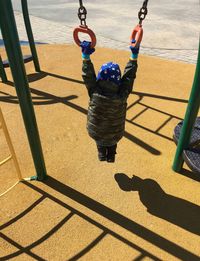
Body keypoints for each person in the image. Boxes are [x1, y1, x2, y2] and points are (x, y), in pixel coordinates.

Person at [80, 40, 139, 162]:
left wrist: (85, 56)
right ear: (118, 80)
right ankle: (111, 156)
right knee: (112, 141)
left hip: (96, 131)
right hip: (115, 132)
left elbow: (88, 76)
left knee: (100, 140)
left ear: (99, 78)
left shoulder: (95, 91)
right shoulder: (122, 94)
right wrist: (133, 57)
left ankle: (101, 154)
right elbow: (128, 77)